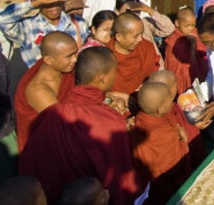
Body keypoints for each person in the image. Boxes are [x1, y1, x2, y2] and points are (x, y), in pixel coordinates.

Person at [19, 46, 141, 205]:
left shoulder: (51, 114)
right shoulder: (108, 121)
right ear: (102, 78)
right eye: (114, 71)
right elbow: (119, 176)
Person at [0, 0, 89, 67]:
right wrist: (32, 4)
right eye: (47, 2)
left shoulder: (78, 22)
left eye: (57, 0)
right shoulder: (28, 27)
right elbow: (1, 20)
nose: (53, 6)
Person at [14, 32, 78, 152]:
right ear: (48, 59)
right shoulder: (39, 90)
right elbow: (63, 126)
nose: (75, 59)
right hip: (46, 152)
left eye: (76, 53)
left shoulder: (63, 70)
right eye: (69, 56)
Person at [130, 82, 192, 204]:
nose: (172, 100)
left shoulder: (141, 118)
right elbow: (174, 167)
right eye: (169, 99)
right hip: (165, 185)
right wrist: (184, 142)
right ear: (160, 109)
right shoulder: (161, 136)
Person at [107, 12, 160, 95]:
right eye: (136, 36)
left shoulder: (146, 47)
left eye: (141, 34)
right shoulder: (105, 57)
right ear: (119, 37)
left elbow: (152, 75)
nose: (140, 39)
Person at [164, 8, 209, 94]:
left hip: (196, 75)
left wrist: (193, 44)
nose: (190, 29)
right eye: (186, 25)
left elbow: (201, 57)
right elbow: (173, 65)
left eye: (193, 25)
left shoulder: (197, 35)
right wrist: (192, 46)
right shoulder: (173, 41)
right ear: (177, 23)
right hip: (182, 78)